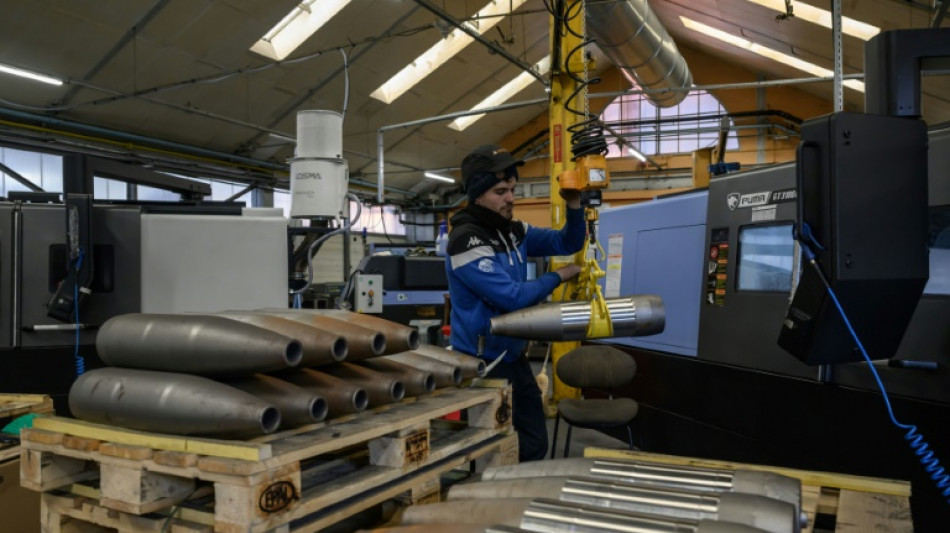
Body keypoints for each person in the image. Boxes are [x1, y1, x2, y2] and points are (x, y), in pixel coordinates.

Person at [445, 144, 585, 461]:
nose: (511, 198)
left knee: (534, 443)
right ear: (477, 194)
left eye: (512, 189)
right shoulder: (467, 240)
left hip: (513, 357)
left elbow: (567, 241)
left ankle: (519, 488)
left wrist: (574, 205)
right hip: (483, 365)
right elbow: (511, 297)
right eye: (500, 191)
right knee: (494, 449)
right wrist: (559, 276)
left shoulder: (514, 231)